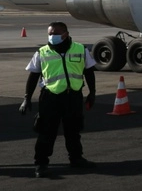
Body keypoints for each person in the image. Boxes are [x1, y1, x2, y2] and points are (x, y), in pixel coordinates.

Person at [20, 22, 97, 178]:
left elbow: (89, 72)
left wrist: (92, 92)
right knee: (46, 131)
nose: (51, 36)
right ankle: (41, 164)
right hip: (50, 97)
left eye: (54, 33)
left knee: (73, 130)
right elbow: (33, 76)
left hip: (73, 96)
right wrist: (26, 98)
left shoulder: (80, 49)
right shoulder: (42, 52)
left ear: (65, 34)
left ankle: (76, 159)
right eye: (49, 33)